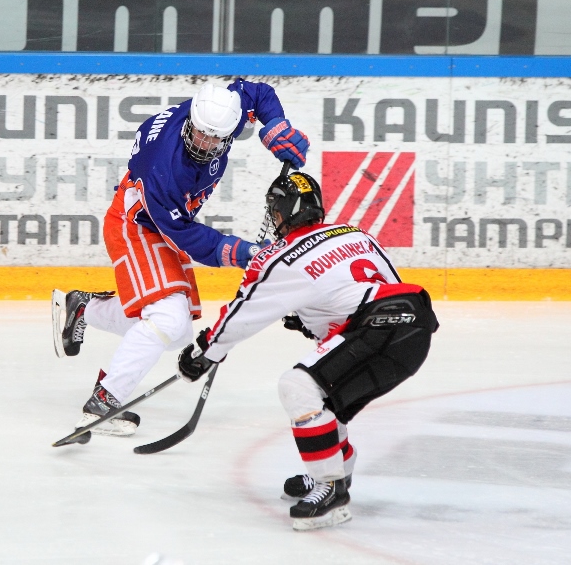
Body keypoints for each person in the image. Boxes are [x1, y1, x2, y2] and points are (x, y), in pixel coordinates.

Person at [175, 171, 439, 531]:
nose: (275, 219)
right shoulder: (353, 232)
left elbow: (243, 313)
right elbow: (384, 285)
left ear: (285, 210)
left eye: (275, 210)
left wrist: (208, 351)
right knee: (326, 401)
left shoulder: (280, 257)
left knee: (298, 387)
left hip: (381, 325)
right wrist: (321, 322)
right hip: (414, 322)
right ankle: (333, 473)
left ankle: (331, 492)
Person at [52, 80, 310, 440]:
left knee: (176, 334)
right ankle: (104, 400)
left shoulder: (219, 113)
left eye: (214, 141)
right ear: (191, 122)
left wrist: (276, 126)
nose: (206, 145)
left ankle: (85, 308)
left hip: (163, 222)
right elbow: (183, 234)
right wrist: (244, 252)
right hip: (137, 222)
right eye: (200, 136)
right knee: (167, 320)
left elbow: (258, 93)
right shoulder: (163, 166)